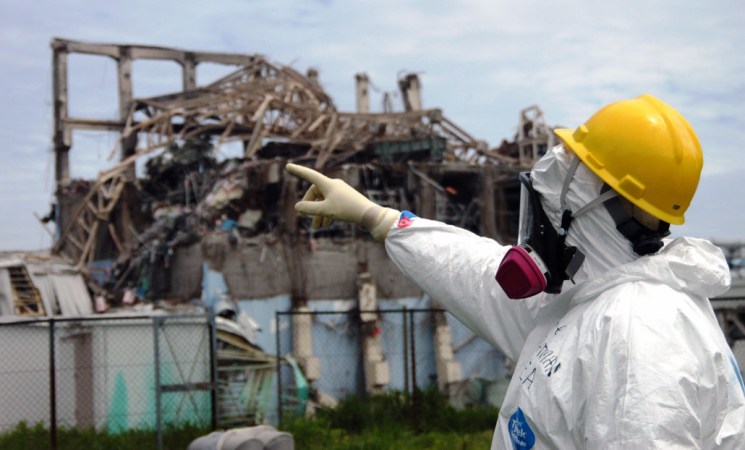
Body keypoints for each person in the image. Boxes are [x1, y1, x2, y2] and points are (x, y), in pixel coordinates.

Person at [285, 94, 745, 448]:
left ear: (594, 197)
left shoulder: (638, 336)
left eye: (570, 167)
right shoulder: (593, 296)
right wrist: (379, 218)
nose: (548, 190)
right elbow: (474, 272)